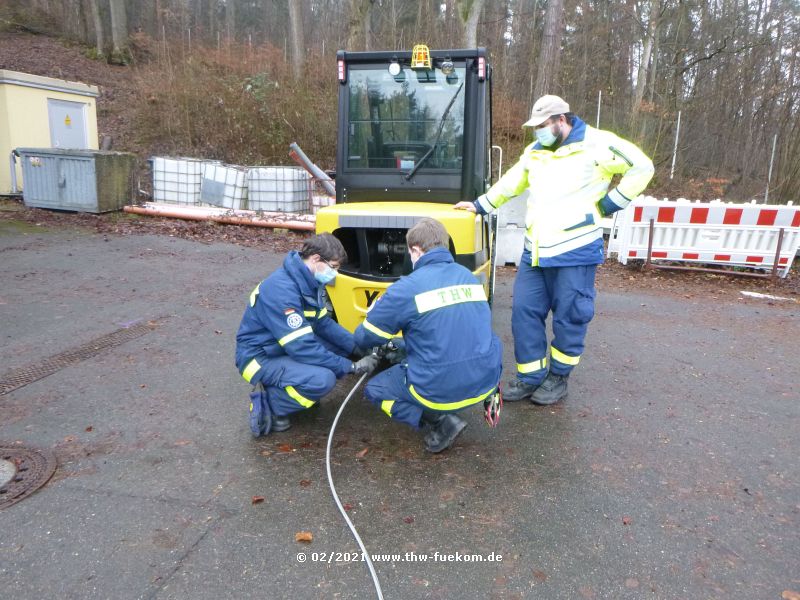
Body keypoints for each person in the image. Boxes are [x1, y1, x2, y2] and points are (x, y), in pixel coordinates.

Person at [455, 94, 654, 405]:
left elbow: (642, 167)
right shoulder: (536, 152)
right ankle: (531, 377)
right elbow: (512, 182)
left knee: (570, 315)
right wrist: (480, 205)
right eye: (536, 128)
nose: (539, 133)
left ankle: (559, 377)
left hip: (575, 248)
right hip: (535, 250)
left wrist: (610, 203)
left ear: (562, 120)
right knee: (523, 312)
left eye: (543, 126)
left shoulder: (596, 144)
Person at [353, 218, 503, 453]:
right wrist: (403, 345)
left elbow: (364, 339)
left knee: (376, 390)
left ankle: (440, 421)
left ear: (415, 250)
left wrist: (374, 315)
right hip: (486, 378)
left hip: (440, 387)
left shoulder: (406, 288)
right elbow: (453, 331)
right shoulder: (468, 277)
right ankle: (484, 396)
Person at [235, 233, 379, 437]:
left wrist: (357, 346)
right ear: (316, 259)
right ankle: (273, 404)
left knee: (341, 348)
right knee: (323, 379)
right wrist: (352, 366)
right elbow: (301, 348)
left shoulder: (308, 281)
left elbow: (323, 323)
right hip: (259, 358)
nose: (335, 274)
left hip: (281, 345)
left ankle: (295, 386)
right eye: (334, 267)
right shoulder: (281, 291)